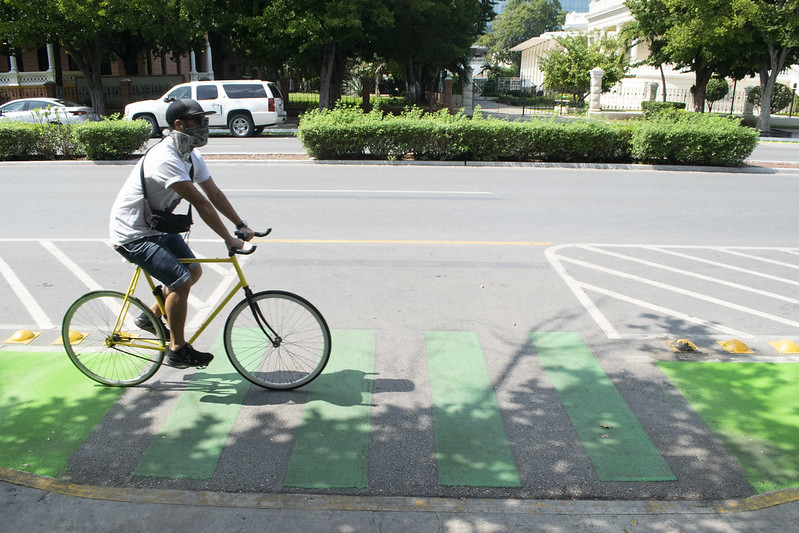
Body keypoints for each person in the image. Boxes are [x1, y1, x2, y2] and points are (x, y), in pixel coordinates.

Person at [109, 99, 255, 369]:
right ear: (179, 124)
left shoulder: (190, 155)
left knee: (195, 271)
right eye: (198, 121)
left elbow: (214, 193)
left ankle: (150, 317)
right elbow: (201, 203)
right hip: (133, 233)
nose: (204, 125)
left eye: (204, 120)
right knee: (180, 281)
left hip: (156, 227)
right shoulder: (165, 158)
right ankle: (177, 349)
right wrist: (227, 238)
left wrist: (240, 224)